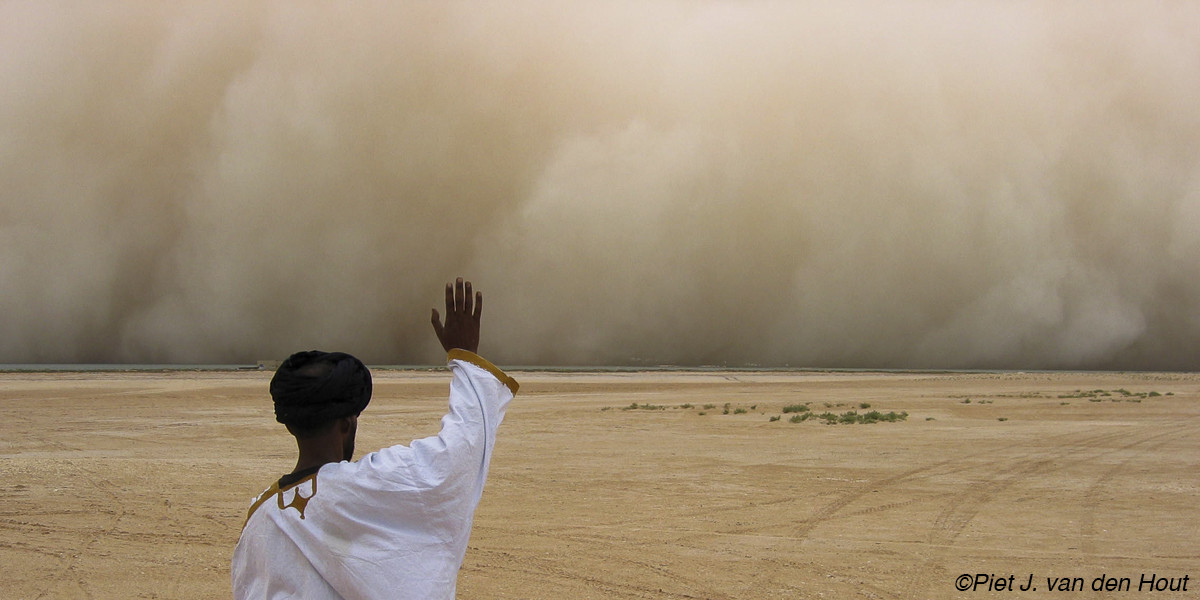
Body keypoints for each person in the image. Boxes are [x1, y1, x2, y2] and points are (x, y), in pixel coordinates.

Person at [231, 278, 518, 599]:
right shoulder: (373, 484)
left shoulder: (261, 518)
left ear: (290, 424)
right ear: (347, 423)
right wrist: (465, 358)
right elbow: (460, 451)